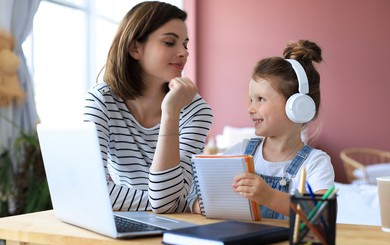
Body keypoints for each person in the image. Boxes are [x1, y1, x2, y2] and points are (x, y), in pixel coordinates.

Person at [83, 1, 213, 214]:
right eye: (170, 42)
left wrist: (171, 112)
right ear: (135, 48)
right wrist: (171, 202)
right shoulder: (101, 100)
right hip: (124, 219)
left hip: (179, 225)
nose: (184, 53)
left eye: (185, 44)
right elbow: (91, 190)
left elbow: (166, 203)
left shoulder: (196, 111)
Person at [189, 40, 334, 219]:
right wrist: (200, 205)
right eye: (251, 100)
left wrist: (270, 197)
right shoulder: (242, 151)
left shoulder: (315, 163)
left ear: (297, 106)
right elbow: (198, 191)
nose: (250, 108)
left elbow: (322, 214)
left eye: (260, 99)